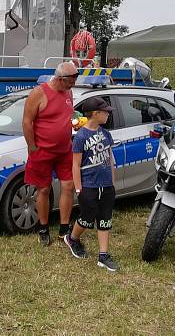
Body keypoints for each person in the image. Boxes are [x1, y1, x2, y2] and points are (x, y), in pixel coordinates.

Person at [22, 61, 78, 247]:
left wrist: (75, 124)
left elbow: (68, 115)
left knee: (68, 186)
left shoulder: (68, 92)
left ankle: (64, 227)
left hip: (64, 150)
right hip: (42, 150)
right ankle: (43, 228)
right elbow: (27, 122)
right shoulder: (38, 93)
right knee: (44, 189)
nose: (74, 83)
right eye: (72, 79)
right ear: (60, 79)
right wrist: (32, 146)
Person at [63, 96, 119, 272]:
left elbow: (110, 159)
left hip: (106, 185)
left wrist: (112, 182)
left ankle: (103, 255)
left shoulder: (106, 134)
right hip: (89, 185)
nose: (108, 115)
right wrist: (79, 188)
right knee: (87, 218)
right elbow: (75, 165)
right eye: (106, 112)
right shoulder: (81, 137)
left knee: (105, 218)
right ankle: (72, 238)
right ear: (96, 114)